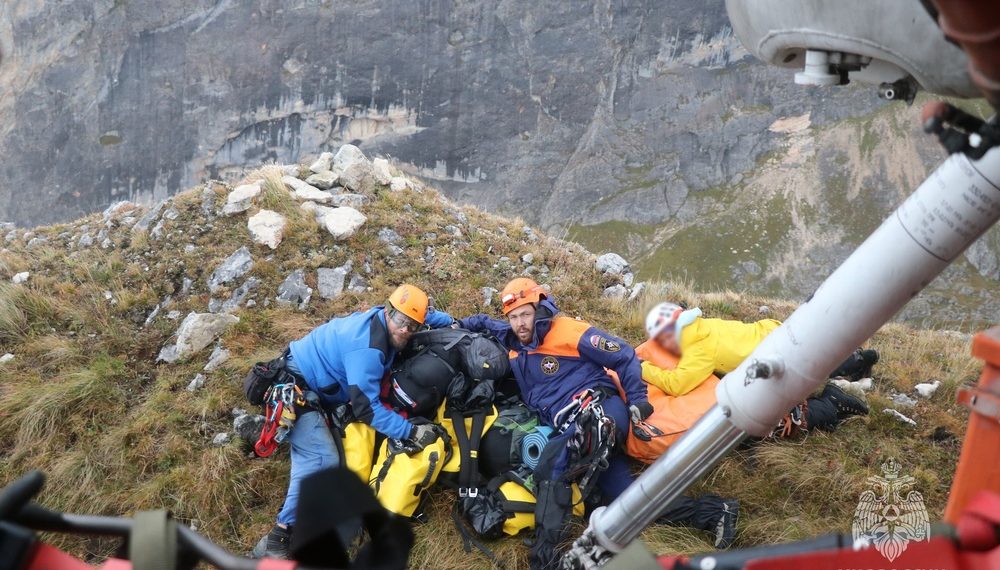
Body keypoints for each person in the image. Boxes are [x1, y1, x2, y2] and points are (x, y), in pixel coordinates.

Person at [459, 279, 738, 569]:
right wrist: (449, 322)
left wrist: (638, 398)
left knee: (552, 462)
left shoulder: (568, 331)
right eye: (514, 317)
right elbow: (484, 324)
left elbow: (623, 354)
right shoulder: (514, 341)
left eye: (526, 314)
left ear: (539, 309)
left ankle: (544, 560)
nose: (521, 323)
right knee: (623, 503)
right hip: (571, 426)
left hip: (602, 408)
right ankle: (715, 512)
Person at [253, 284, 455, 559]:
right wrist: (410, 431)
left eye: (413, 326)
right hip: (296, 389)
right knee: (321, 461)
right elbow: (366, 410)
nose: (405, 330)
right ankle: (279, 535)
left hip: (318, 386)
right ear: (388, 311)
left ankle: (269, 433)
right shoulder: (368, 351)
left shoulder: (385, 320)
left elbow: (420, 315)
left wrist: (452, 322)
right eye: (401, 322)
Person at [642, 303, 874, 434]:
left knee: (776, 421)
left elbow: (678, 385)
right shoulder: (704, 326)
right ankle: (854, 362)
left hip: (775, 361)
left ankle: (832, 403)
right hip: (775, 333)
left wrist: (644, 368)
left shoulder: (699, 348)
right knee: (813, 362)